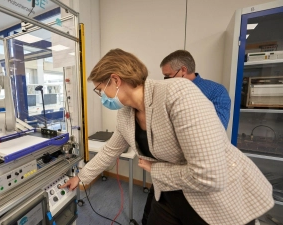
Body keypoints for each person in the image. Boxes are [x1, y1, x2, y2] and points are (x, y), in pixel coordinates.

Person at [60, 49, 273, 225]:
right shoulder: (126, 114)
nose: (102, 97)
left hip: (215, 197)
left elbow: (210, 175)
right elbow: (111, 149)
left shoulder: (176, 92)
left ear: (115, 80)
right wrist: (82, 177)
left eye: (100, 90)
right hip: (170, 191)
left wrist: (157, 170)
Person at [141, 50, 231, 225]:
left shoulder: (215, 92)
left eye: (167, 76)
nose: (165, 80)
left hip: (195, 171)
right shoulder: (165, 92)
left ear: (182, 70)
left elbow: (216, 132)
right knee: (152, 210)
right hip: (167, 166)